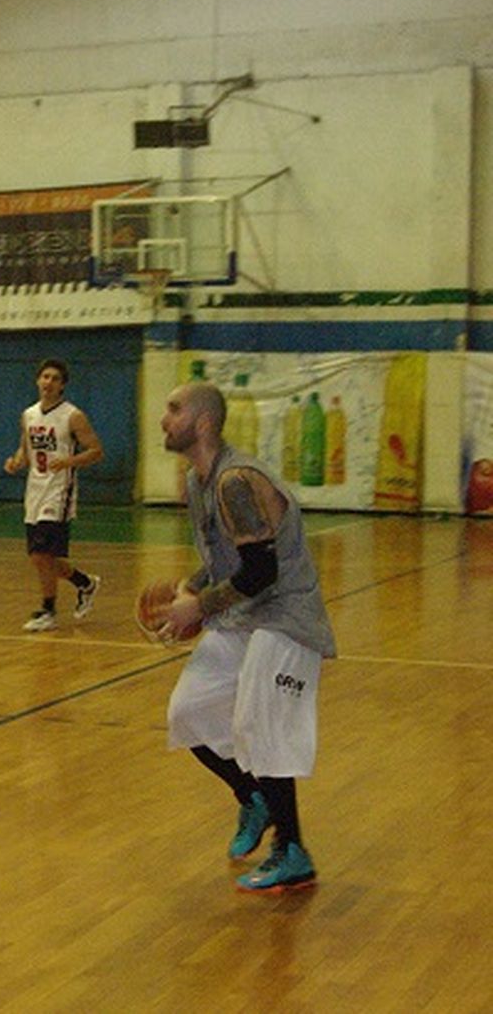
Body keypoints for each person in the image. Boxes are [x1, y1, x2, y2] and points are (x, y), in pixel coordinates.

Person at [158, 380, 336, 893]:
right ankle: (252, 798)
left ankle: (294, 850)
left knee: (260, 723)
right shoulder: (199, 481)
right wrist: (188, 590)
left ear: (204, 423)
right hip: (244, 618)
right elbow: (226, 560)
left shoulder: (235, 479)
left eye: (174, 409)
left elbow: (261, 570)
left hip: (285, 617)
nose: (164, 419)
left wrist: (201, 605)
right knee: (187, 712)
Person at [2, 358, 104, 632]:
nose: (48, 382)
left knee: (40, 555)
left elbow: (96, 450)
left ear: (62, 386)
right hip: (35, 490)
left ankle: (48, 610)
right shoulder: (28, 415)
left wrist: (68, 462)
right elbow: (25, 451)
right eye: (45, 376)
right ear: (38, 380)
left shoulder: (73, 416)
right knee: (41, 557)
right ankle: (85, 583)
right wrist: (15, 461)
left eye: (55, 378)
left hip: (59, 492)